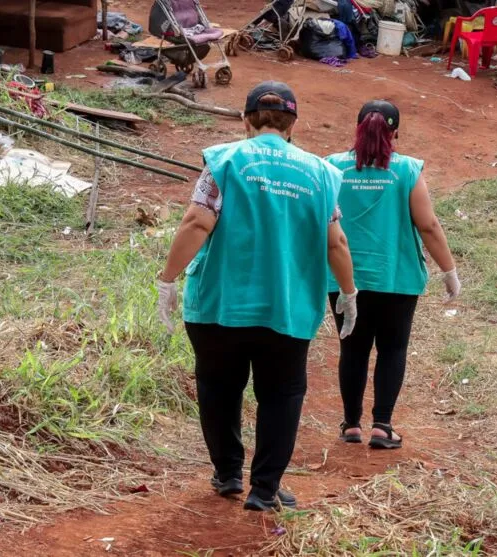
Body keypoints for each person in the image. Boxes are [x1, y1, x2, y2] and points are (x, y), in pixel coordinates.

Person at [156, 81, 359, 511]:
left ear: (246, 120)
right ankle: (264, 489)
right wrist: (348, 292)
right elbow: (336, 243)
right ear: (292, 123)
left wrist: (168, 278)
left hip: (218, 306)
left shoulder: (225, 160)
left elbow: (196, 222)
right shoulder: (321, 173)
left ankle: (228, 474)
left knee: (218, 386)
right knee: (281, 394)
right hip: (285, 307)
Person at [326, 100, 460, 450]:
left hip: (345, 278)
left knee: (352, 349)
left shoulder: (332, 168)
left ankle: (351, 425)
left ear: (357, 128)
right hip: (395, 277)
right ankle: (382, 427)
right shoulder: (407, 170)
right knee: (392, 348)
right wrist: (449, 270)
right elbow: (428, 225)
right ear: (396, 132)